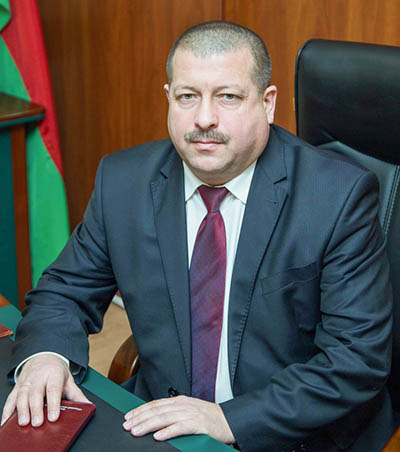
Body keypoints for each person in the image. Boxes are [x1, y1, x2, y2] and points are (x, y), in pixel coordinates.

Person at [1, 21, 394, 452]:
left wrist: (228, 419)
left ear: (267, 103)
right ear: (169, 98)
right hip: (161, 422)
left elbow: (355, 360)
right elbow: (63, 291)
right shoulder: (123, 182)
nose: (205, 119)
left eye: (228, 97)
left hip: (290, 432)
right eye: (188, 96)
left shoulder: (337, 196)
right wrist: (46, 355)